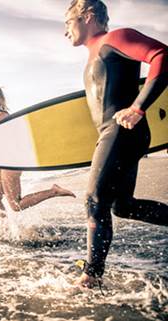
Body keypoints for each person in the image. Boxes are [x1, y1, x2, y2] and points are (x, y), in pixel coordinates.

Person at [64, 0, 168, 288]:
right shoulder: (93, 57)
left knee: (94, 200)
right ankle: (93, 274)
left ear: (88, 16)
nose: (65, 31)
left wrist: (138, 107)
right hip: (114, 134)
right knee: (123, 207)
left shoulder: (116, 39)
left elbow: (162, 54)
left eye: (67, 21)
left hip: (123, 130)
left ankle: (91, 277)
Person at [0, 86, 76, 217]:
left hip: (10, 163)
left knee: (16, 205)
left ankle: (54, 191)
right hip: (4, 163)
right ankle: (5, 231)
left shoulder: (1, 116)